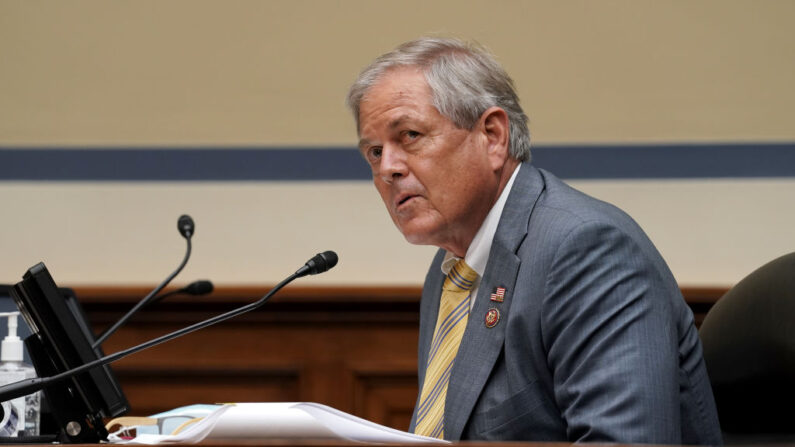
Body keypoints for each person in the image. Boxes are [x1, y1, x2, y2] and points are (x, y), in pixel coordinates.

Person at [345, 37, 722, 444]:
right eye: (375, 152)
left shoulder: (589, 251)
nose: (388, 169)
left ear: (492, 136)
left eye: (411, 136)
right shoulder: (451, 271)